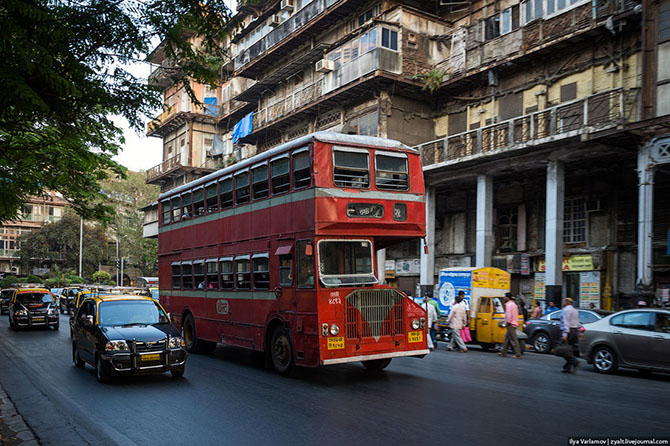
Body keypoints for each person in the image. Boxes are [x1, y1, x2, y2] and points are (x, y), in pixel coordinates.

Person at [560, 297, 581, 373]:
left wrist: (565, 334)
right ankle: (567, 367)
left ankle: (574, 362)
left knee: (564, 350)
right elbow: (577, 322)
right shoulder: (575, 310)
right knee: (569, 349)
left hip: (568, 331)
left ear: (567, 302)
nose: (563, 302)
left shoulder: (566, 310)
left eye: (564, 301)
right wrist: (579, 332)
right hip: (574, 330)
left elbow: (566, 322)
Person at [499, 293, 521, 358]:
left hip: (510, 323)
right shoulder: (514, 305)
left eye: (505, 297)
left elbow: (508, 315)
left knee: (513, 339)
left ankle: (518, 354)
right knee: (506, 338)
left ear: (507, 298)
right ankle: (503, 352)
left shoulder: (508, 305)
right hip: (513, 322)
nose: (504, 298)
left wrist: (507, 322)